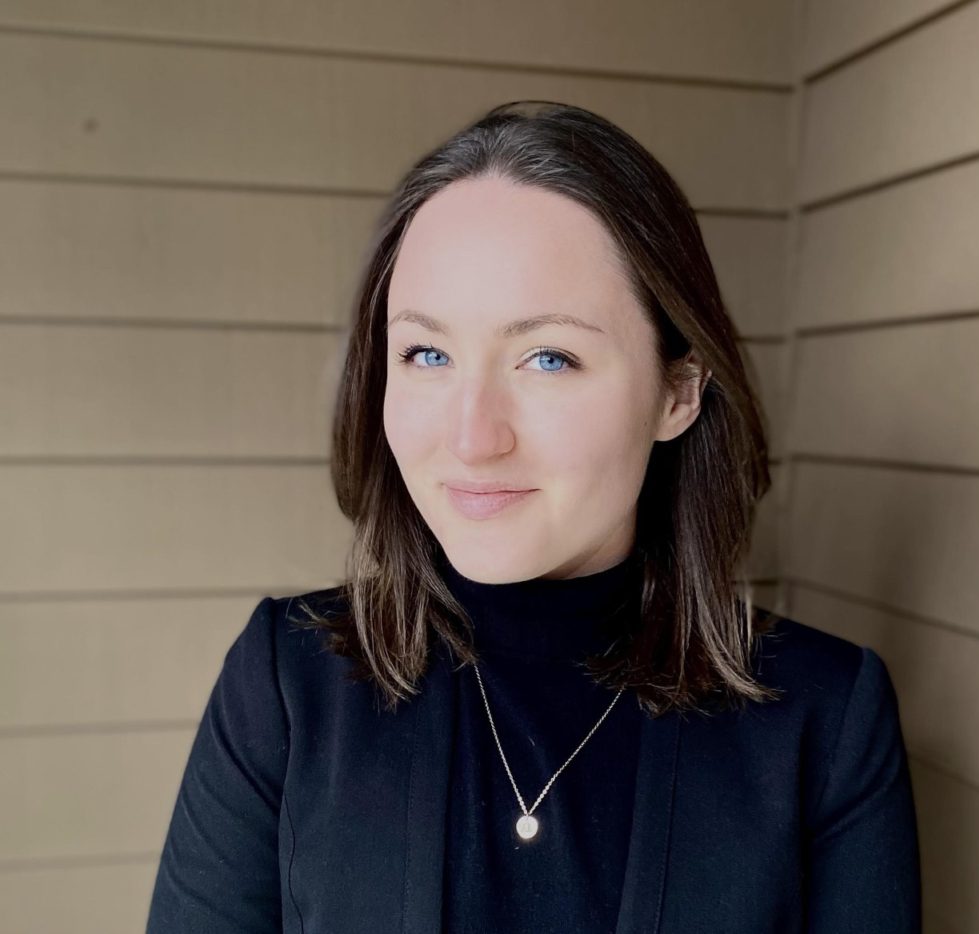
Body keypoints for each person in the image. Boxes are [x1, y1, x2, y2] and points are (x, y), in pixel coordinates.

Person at [146, 100, 921, 933]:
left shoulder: (827, 720)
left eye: (548, 357)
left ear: (678, 392)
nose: (473, 438)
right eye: (426, 353)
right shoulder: (285, 687)